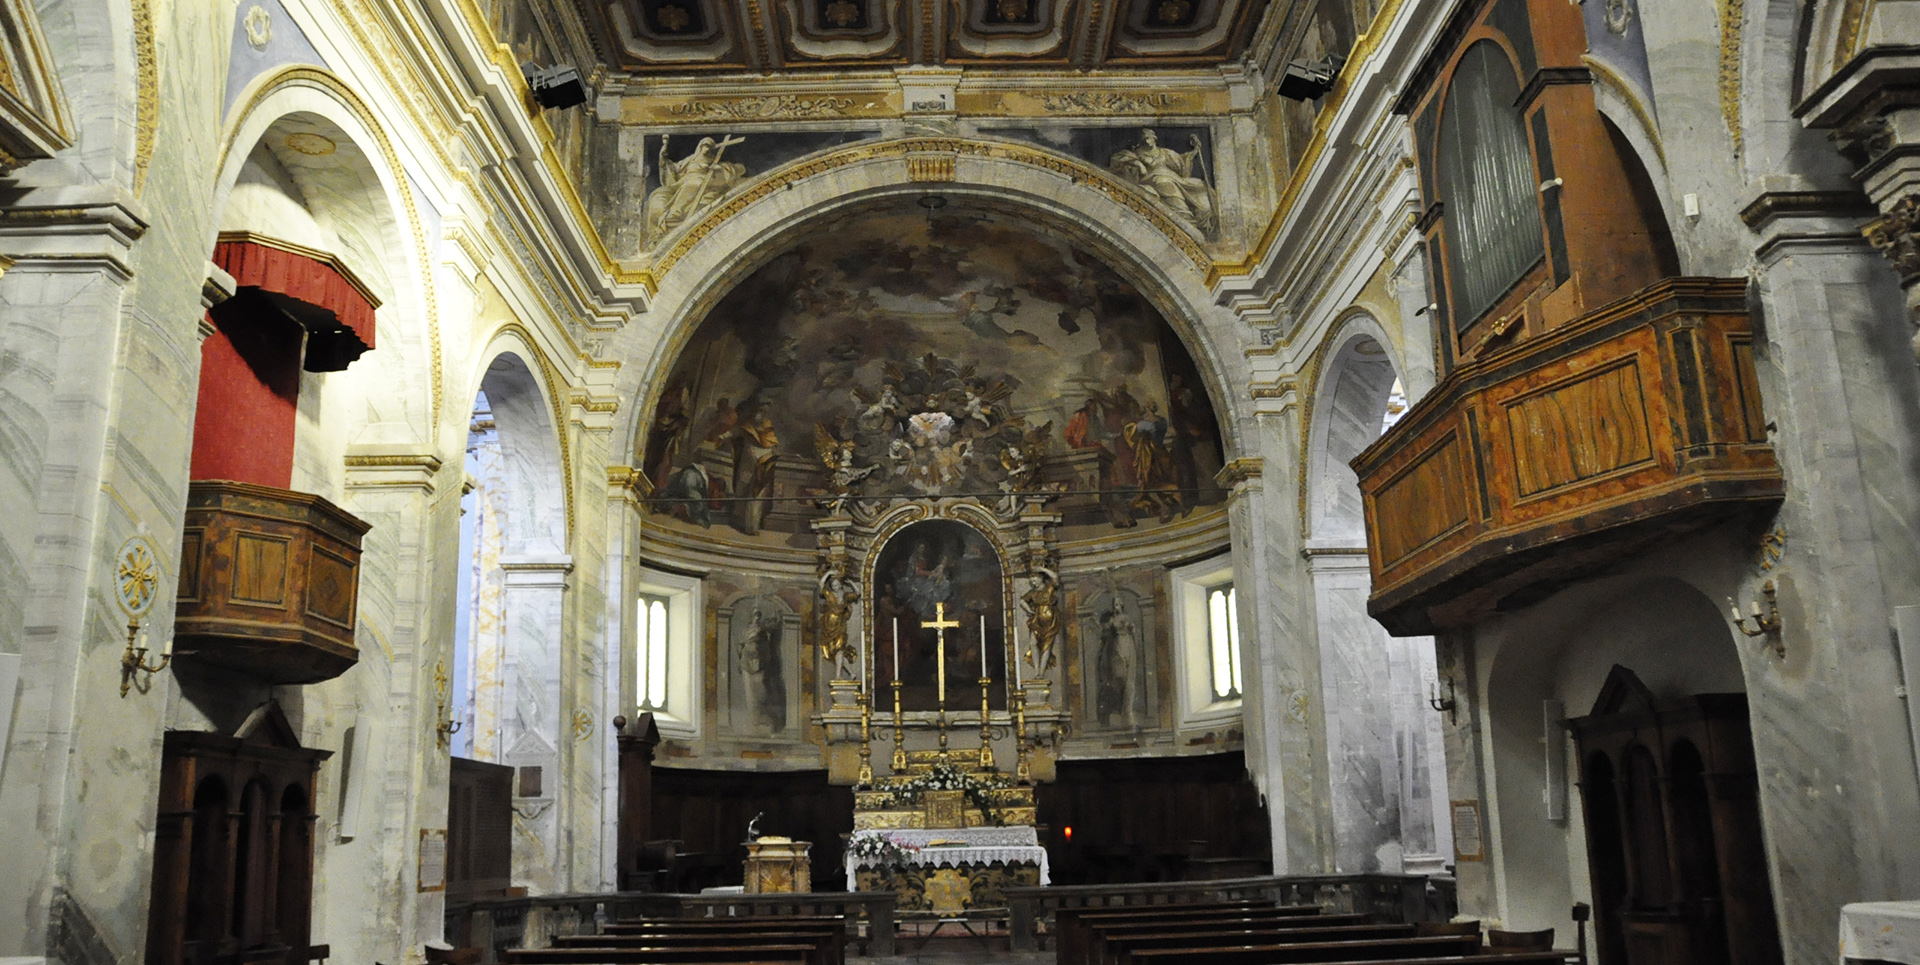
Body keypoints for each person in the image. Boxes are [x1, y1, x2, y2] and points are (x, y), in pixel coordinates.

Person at [1108, 129, 1218, 235]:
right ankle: (1183, 215)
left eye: (1148, 138)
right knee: (1164, 183)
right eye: (1144, 139)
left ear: (1154, 138)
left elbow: (1183, 160)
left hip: (1172, 177)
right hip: (1152, 178)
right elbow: (1119, 158)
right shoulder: (1138, 153)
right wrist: (1138, 164)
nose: (1147, 141)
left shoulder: (1165, 152)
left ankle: (1201, 213)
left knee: (1200, 185)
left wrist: (1195, 150)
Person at [645, 134, 747, 238]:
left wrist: (714, 168)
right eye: (705, 146)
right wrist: (663, 158)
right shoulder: (691, 159)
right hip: (681, 183)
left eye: (710, 147)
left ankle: (675, 213)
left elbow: (726, 175)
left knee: (695, 183)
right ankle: (656, 232)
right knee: (660, 193)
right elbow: (673, 169)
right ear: (700, 146)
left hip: (698, 181)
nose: (707, 149)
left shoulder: (714, 162)